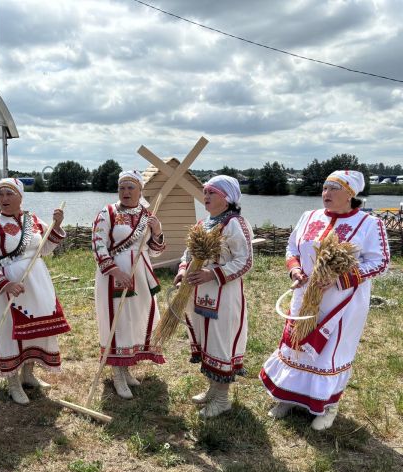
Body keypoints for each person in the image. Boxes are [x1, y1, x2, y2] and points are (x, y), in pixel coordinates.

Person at [260, 170, 390, 430]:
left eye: (334, 188)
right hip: (306, 295)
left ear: (350, 194)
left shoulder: (369, 224)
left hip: (343, 301)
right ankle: (288, 395)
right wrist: (295, 269)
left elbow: (380, 262)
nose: (326, 193)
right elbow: (292, 248)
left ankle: (329, 405)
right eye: (325, 187)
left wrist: (340, 279)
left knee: (330, 351)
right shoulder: (309, 217)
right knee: (296, 345)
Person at [0, 178, 71, 404]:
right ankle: (13, 382)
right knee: (11, 330)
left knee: (37, 329)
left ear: (21, 196)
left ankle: (28, 374)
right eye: (1, 194)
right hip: (10, 288)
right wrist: (4, 283)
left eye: (9, 194)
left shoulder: (34, 220)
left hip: (38, 282)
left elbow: (45, 249)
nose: (4, 199)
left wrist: (56, 226)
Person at [174, 175, 253, 417]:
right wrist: (182, 270)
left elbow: (245, 261)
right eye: (205, 192)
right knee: (206, 339)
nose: (205, 196)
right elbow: (188, 253)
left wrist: (213, 273)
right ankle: (212, 390)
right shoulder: (203, 223)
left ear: (227, 198)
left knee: (220, 341)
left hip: (223, 293)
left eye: (212, 193)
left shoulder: (235, 224)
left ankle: (222, 398)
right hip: (199, 293)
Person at [92, 170, 166, 399]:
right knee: (118, 319)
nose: (125, 192)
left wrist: (157, 231)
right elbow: (97, 243)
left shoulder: (148, 215)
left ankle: (126, 368)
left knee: (136, 318)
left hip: (141, 274)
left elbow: (154, 252)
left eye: (130, 187)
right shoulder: (108, 212)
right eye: (122, 187)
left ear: (140, 190)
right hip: (115, 274)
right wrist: (114, 270)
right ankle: (116, 372)